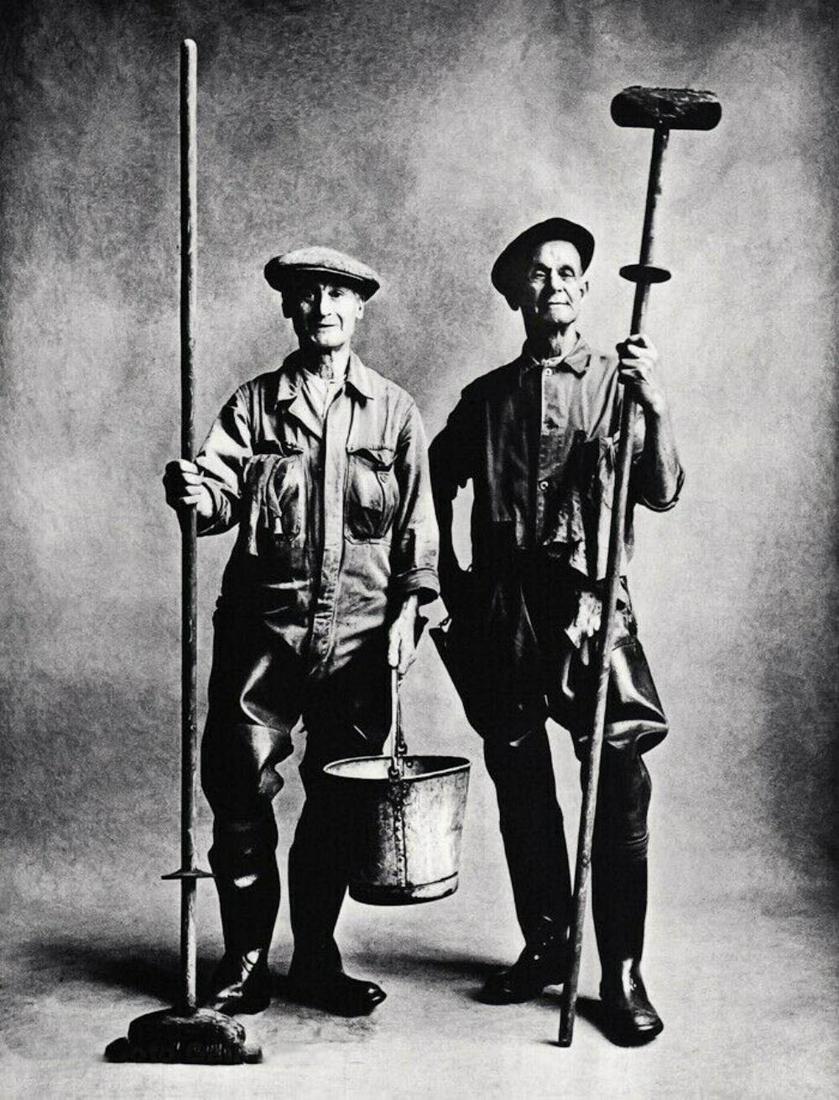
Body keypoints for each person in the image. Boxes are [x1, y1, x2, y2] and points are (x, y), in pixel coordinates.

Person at [163, 246, 438, 1018]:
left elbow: (417, 530)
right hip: (264, 636)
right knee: (238, 792)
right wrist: (194, 491)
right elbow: (215, 499)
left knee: (338, 805)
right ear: (289, 310)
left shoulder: (394, 411)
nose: (321, 306)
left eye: (337, 295)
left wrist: (410, 613)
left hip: (360, 641)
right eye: (306, 295)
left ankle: (315, 957)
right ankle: (246, 962)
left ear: (360, 310)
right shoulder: (253, 406)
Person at [429, 218, 683, 1043]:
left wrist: (654, 403)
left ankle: (619, 972)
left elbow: (662, 488)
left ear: (586, 286)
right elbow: (433, 483)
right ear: (515, 296)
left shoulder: (619, 380)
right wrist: (452, 589)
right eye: (537, 274)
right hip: (504, 616)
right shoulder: (485, 399)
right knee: (522, 786)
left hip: (587, 607)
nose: (556, 284)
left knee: (614, 786)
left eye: (569, 270)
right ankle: (546, 944)